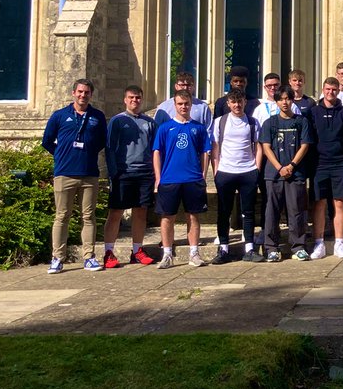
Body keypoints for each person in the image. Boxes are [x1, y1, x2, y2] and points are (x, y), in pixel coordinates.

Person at [42, 78, 108, 274]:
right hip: (64, 173)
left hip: (89, 174)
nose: (83, 95)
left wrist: (87, 152)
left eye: (86, 92)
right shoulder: (60, 116)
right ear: (73, 93)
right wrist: (62, 154)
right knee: (62, 216)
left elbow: (102, 141)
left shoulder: (97, 116)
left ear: (90, 94)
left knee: (88, 216)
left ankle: (89, 257)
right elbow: (46, 141)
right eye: (80, 92)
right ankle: (57, 258)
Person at [152, 91, 212, 269]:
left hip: (192, 179)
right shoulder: (165, 128)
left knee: (193, 216)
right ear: (175, 105)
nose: (183, 107)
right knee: (167, 217)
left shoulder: (198, 128)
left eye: (186, 103)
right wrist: (158, 177)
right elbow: (157, 152)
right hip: (170, 179)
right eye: (180, 104)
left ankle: (194, 253)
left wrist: (202, 174)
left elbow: (205, 152)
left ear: (191, 104)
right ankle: (167, 254)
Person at [102, 85, 157, 268]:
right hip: (123, 173)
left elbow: (154, 149)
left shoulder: (149, 122)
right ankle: (109, 252)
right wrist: (113, 172)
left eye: (138, 98)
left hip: (144, 173)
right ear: (125, 99)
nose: (135, 101)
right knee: (116, 213)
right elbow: (109, 148)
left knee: (140, 213)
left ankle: (137, 251)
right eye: (131, 98)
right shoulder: (117, 121)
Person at [259, 87, 313, 261]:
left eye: (288, 99)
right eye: (281, 99)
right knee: (271, 211)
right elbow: (266, 147)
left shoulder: (301, 121)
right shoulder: (270, 123)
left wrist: (291, 165)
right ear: (276, 102)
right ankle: (271, 247)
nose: (285, 102)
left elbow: (305, 145)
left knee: (296, 211)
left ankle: (298, 246)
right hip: (273, 174)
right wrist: (279, 167)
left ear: (292, 101)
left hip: (295, 174)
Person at [209, 89, 264, 264]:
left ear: (245, 102)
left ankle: (249, 247)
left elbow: (258, 146)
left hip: (248, 171)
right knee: (224, 211)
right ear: (228, 103)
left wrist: (257, 168)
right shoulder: (219, 122)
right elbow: (215, 147)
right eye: (233, 102)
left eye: (240, 101)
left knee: (247, 212)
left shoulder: (252, 122)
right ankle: (223, 248)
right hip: (226, 172)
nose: (237, 105)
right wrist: (216, 170)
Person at [309, 77, 343, 260]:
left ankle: (339, 242)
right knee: (320, 203)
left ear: (338, 91)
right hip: (319, 165)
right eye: (328, 89)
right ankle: (319, 243)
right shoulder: (313, 112)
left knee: (340, 203)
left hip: (340, 164)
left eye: (334, 89)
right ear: (323, 90)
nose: (331, 92)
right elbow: (309, 140)